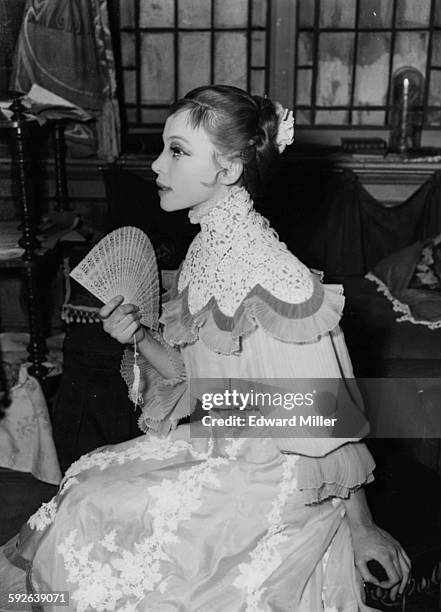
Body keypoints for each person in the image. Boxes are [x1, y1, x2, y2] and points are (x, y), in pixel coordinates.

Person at [0, 85, 410, 611]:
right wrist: (140, 337)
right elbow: (198, 383)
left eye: (177, 151)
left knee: (97, 509)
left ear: (230, 168)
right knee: (85, 483)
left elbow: (321, 414)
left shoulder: (274, 273)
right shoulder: (205, 250)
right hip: (221, 440)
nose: (155, 165)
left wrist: (363, 526)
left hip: (275, 474)